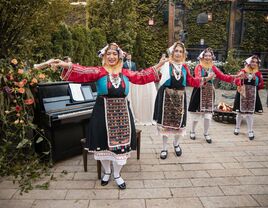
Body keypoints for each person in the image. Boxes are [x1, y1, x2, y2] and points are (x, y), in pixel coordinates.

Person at [52, 43, 166, 189]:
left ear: (119, 56)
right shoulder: (98, 71)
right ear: (104, 56)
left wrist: (158, 65)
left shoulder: (126, 73)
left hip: (123, 112)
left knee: (121, 147)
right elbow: (83, 71)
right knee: (103, 144)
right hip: (102, 112)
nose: (111, 57)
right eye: (108, 54)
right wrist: (65, 65)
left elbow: (141, 76)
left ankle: (117, 174)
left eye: (114, 54)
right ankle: (106, 172)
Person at [153, 41, 203, 160]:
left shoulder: (184, 67)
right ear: (172, 52)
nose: (178, 53)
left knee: (179, 123)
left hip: (180, 97)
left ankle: (176, 144)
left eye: (181, 51)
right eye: (176, 51)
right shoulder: (166, 65)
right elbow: (157, 78)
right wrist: (158, 66)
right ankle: (164, 148)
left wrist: (204, 79)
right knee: (165, 124)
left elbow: (190, 80)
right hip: (166, 96)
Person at [188, 48, 239, 143]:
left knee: (208, 115)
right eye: (206, 55)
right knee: (196, 114)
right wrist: (208, 78)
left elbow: (223, 76)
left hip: (209, 92)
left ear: (212, 57)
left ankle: (206, 133)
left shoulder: (213, 67)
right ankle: (192, 131)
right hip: (199, 92)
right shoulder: (198, 67)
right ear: (202, 57)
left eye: (209, 55)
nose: (208, 57)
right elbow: (198, 78)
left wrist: (235, 77)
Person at [233, 55, 264, 140]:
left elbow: (261, 85)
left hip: (252, 95)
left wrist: (256, 79)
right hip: (242, 94)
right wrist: (241, 79)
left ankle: (250, 131)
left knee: (250, 113)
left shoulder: (258, 73)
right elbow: (236, 81)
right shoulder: (243, 71)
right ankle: (237, 128)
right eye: (253, 61)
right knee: (239, 112)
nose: (254, 63)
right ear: (249, 62)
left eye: (256, 62)